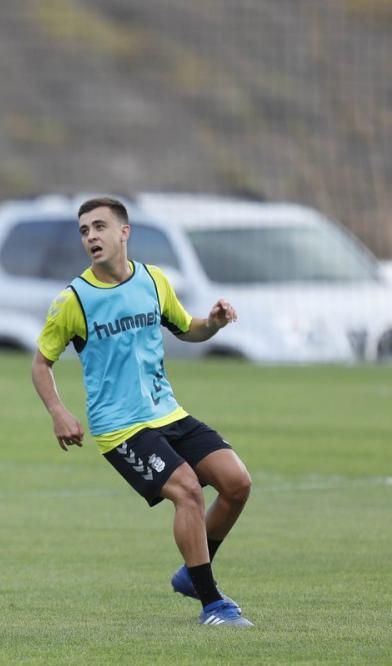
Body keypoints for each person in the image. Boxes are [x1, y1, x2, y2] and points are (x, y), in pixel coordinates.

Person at [30, 197, 253, 627]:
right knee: (188, 490)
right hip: (121, 427)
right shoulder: (73, 299)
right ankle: (212, 604)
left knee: (237, 483)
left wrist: (214, 323)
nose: (91, 236)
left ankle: (193, 574)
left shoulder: (153, 280)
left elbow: (187, 329)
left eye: (99, 226)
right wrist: (59, 411)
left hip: (167, 412)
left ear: (124, 232)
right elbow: (42, 362)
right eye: (84, 231)